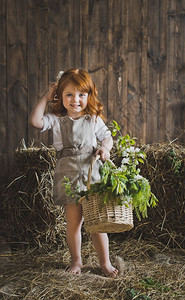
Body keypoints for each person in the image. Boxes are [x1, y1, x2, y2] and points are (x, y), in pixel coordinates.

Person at [29, 68, 118, 278]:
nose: (75, 100)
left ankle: (105, 263)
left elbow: (108, 137)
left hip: (91, 178)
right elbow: (34, 121)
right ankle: (76, 261)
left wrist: (105, 149)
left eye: (81, 95)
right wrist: (46, 96)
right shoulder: (56, 119)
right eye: (69, 94)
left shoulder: (93, 118)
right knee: (73, 223)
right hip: (68, 178)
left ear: (89, 96)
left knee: (96, 224)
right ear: (60, 96)